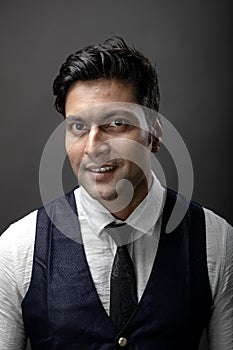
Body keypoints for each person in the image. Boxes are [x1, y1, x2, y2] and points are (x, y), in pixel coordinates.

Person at [0, 36, 232, 350]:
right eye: (78, 127)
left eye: (116, 123)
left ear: (155, 134)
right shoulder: (17, 247)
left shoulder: (217, 241)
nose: (93, 147)